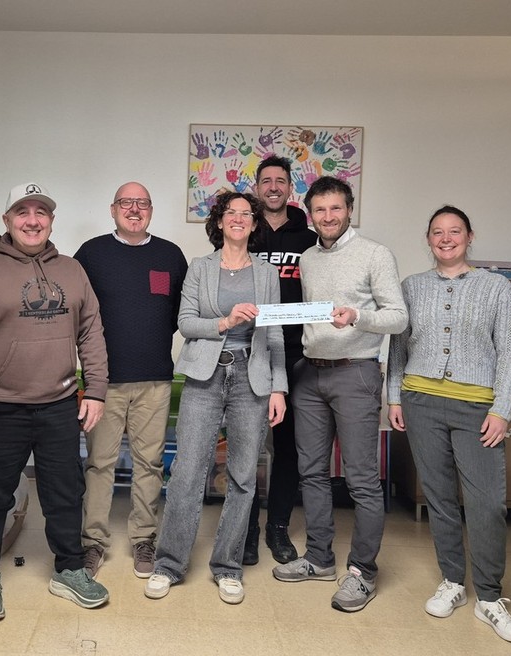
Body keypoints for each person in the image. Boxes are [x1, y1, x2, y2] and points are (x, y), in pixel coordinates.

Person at [0, 182, 110, 622]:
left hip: (59, 402)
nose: (33, 220)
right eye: (23, 212)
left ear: (51, 221)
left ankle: (69, 569)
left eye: (41, 212)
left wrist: (96, 389)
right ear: (7, 221)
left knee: (65, 491)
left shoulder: (73, 271)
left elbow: (91, 332)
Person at [387, 206, 511, 643]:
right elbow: (398, 348)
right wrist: (394, 396)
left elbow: (510, 350)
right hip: (421, 402)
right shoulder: (411, 287)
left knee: (487, 504)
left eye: (454, 231)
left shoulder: (496, 287)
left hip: (477, 408)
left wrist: (501, 409)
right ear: (428, 239)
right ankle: (452, 581)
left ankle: (490, 596)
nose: (446, 238)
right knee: (440, 499)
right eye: (437, 232)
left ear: (469, 236)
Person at [144, 191, 287, 606]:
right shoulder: (199, 268)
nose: (239, 219)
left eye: (247, 214)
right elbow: (186, 323)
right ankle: (168, 565)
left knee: (243, 476)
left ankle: (227, 567)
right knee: (187, 472)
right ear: (220, 221)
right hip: (205, 375)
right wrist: (225, 321)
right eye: (231, 213)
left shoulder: (267, 274)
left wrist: (278, 387)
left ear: (254, 224)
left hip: (251, 378)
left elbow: (274, 331)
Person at [272, 175, 407, 614]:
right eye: (320, 210)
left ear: (349, 210)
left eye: (336, 208)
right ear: (309, 215)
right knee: (311, 472)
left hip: (356, 374)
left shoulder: (375, 254)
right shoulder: (308, 258)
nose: (328, 217)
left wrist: (357, 316)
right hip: (310, 375)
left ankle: (363, 572)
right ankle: (319, 558)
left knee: (362, 479)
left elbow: (398, 318)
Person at [75, 182, 187, 579]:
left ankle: (144, 538)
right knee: (99, 464)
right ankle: (93, 542)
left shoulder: (170, 255)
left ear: (151, 210)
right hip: (103, 382)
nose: (134, 209)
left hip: (155, 379)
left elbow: (178, 314)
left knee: (150, 464)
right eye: (126, 202)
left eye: (142, 203)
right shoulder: (91, 254)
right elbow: (77, 312)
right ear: (113, 209)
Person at [243, 154, 318, 566]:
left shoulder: (309, 240)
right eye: (266, 181)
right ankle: (246, 530)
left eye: (280, 181)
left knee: (288, 448)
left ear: (291, 188)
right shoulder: (244, 232)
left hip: (295, 355)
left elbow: (321, 296)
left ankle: (277, 527)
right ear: (257, 188)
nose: (273, 187)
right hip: (249, 353)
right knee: (248, 446)